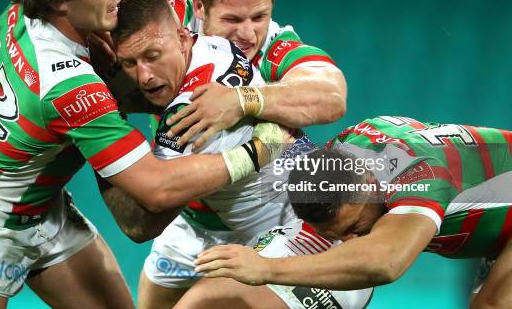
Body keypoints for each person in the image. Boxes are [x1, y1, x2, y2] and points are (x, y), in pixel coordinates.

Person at [0, 0, 288, 309]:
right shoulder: (71, 88)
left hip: (46, 212)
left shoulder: (17, 15)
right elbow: (156, 191)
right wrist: (255, 150)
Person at [100, 0, 372, 309]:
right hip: (207, 219)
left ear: (184, 38)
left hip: (297, 227)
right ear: (199, 15)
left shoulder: (186, 117)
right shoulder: (216, 45)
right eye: (130, 63)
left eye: (152, 57)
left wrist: (97, 128)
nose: (144, 76)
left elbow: (139, 224)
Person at [191, 116, 512, 309]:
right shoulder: (338, 161)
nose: (351, 240)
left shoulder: (420, 175)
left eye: (357, 226)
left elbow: (387, 262)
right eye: (338, 233)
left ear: (372, 183)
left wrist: (267, 269)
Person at [163, 0, 347, 150]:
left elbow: (332, 96)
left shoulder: (275, 47)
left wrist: (241, 99)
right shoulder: (170, 18)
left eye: (259, 17)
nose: (248, 35)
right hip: (173, 166)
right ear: (200, 7)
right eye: (232, 19)